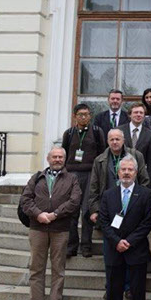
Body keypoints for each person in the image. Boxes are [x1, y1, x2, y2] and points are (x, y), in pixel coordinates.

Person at [21, 147, 81, 300]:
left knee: (58, 268)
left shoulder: (72, 179)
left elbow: (74, 201)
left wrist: (55, 214)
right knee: (36, 267)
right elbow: (25, 199)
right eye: (54, 156)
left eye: (60, 157)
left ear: (65, 159)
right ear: (48, 159)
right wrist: (38, 214)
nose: (57, 159)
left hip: (60, 229)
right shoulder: (37, 177)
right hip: (37, 228)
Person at [99, 155, 151, 300]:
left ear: (136, 173)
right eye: (123, 169)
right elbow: (103, 221)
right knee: (113, 294)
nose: (126, 173)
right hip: (114, 251)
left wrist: (129, 241)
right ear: (118, 172)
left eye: (130, 169)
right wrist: (117, 241)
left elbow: (147, 222)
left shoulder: (146, 194)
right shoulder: (108, 194)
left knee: (137, 294)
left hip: (136, 251)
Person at [88, 129, 149, 244]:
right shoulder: (99, 160)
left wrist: (140, 204)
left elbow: (144, 181)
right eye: (112, 139)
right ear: (107, 141)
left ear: (123, 140)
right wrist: (95, 209)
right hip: (108, 208)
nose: (115, 142)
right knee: (111, 242)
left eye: (117, 139)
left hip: (132, 207)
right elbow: (93, 187)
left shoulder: (137, 155)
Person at [62, 103, 105, 258]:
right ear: (75, 116)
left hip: (90, 174)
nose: (83, 117)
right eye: (80, 114)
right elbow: (64, 153)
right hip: (72, 174)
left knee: (87, 211)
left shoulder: (97, 131)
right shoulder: (68, 133)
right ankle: (71, 245)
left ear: (90, 116)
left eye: (86, 114)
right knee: (72, 210)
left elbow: (102, 153)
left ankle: (86, 245)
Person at [117, 103, 151, 169]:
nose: (138, 115)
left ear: (144, 116)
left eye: (141, 113)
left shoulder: (150, 135)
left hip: (141, 171)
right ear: (130, 115)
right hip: (121, 170)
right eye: (136, 112)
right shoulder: (119, 131)